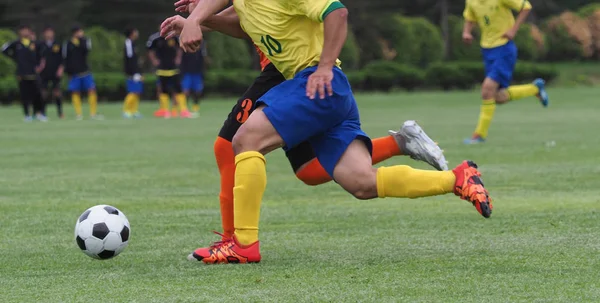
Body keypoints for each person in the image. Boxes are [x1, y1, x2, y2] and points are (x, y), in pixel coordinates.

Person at [164, 0, 493, 264]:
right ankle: (459, 178)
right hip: (329, 93)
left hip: (315, 82)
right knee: (360, 182)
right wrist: (198, 20)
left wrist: (323, 66)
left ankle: (243, 244)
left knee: (244, 140)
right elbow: (242, 23)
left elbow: (337, 11)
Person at [462, 0, 549, 144]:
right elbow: (470, 17)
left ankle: (479, 136)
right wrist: (466, 32)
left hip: (504, 48)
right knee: (498, 97)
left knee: (486, 90)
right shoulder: (471, 1)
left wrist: (513, 30)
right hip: (487, 49)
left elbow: (525, 7)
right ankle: (534, 89)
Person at [2, 25, 47, 122]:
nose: (25, 32)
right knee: (25, 96)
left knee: (38, 95)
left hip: (34, 74)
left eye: (27, 30)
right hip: (22, 74)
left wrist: (40, 65)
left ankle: (39, 114)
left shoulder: (34, 43)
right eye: (23, 30)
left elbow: (43, 51)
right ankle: (27, 115)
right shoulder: (16, 44)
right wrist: (15, 58)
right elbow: (4, 49)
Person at [147, 31, 193, 118]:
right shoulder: (155, 38)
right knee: (163, 90)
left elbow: (180, 47)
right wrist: (154, 60)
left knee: (178, 89)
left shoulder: (174, 37)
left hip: (173, 68)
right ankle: (165, 110)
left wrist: (178, 58)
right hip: (162, 69)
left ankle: (183, 110)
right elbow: (150, 50)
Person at [64, 26, 102, 120]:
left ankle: (93, 114)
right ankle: (79, 114)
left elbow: (86, 50)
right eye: (79, 32)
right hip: (74, 73)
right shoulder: (68, 44)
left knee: (92, 90)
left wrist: (81, 40)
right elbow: (65, 58)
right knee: (75, 92)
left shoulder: (85, 41)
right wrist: (68, 72)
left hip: (85, 71)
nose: (81, 33)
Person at [39, 26, 64, 119]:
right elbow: (37, 57)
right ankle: (42, 113)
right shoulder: (40, 45)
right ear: (44, 34)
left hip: (55, 72)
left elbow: (62, 58)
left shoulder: (58, 44)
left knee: (57, 93)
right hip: (44, 73)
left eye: (50, 32)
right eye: (47, 32)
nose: (49, 34)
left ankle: (60, 113)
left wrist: (61, 69)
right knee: (43, 93)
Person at [180, 43, 206, 114]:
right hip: (187, 73)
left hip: (197, 73)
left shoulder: (201, 49)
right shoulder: (185, 48)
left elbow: (203, 61)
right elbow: (182, 61)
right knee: (185, 91)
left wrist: (203, 74)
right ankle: (184, 108)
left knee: (198, 91)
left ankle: (195, 107)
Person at [123, 27, 143, 118]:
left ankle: (134, 110)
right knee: (132, 91)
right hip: (132, 73)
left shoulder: (134, 43)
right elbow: (129, 59)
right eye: (135, 31)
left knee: (137, 91)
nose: (137, 33)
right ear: (131, 33)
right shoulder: (128, 43)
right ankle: (126, 111)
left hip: (136, 72)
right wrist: (133, 73)